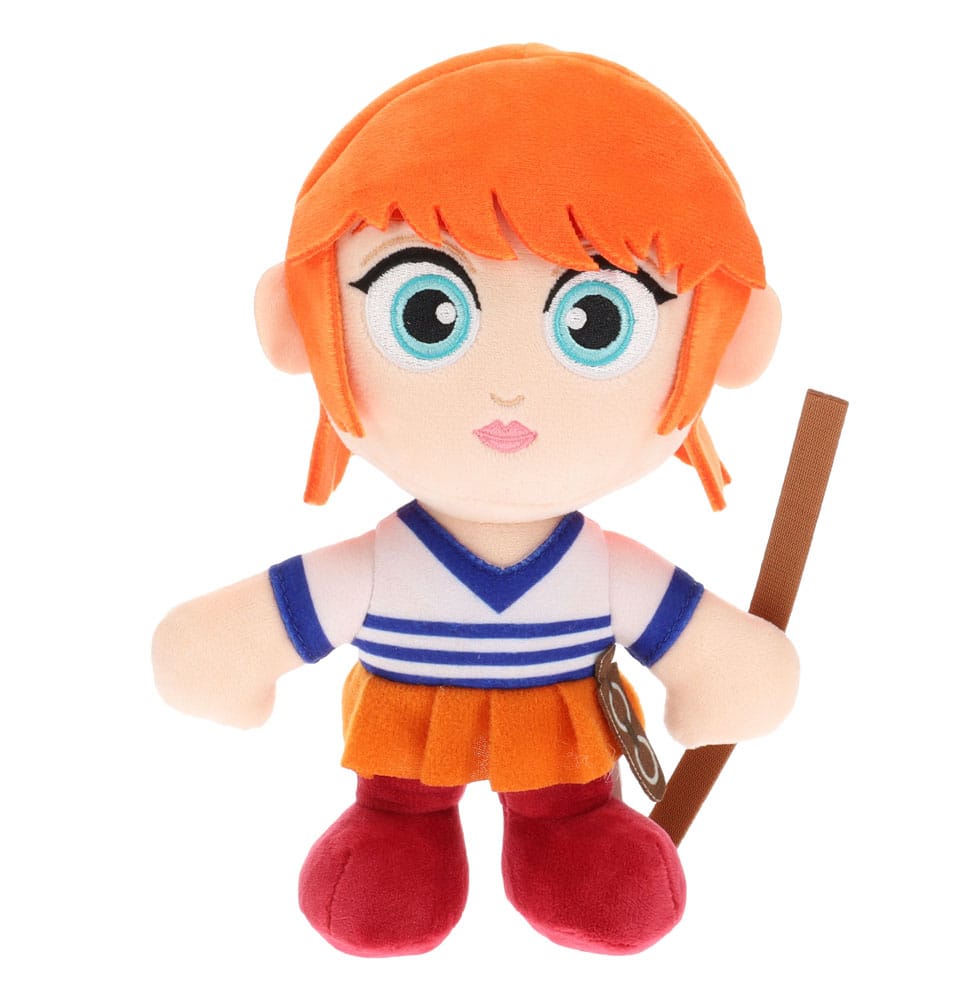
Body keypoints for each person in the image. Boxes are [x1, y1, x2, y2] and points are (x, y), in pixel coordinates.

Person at [153, 43, 798, 957]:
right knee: (395, 837)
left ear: (726, 344)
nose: (508, 392)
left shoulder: (599, 569)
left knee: (578, 831)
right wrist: (220, 655)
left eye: (597, 321)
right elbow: (262, 624)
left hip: (568, 757)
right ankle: (401, 830)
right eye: (425, 314)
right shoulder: (381, 567)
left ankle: (569, 833)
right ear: (301, 322)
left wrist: (730, 672)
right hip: (404, 757)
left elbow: (694, 636)